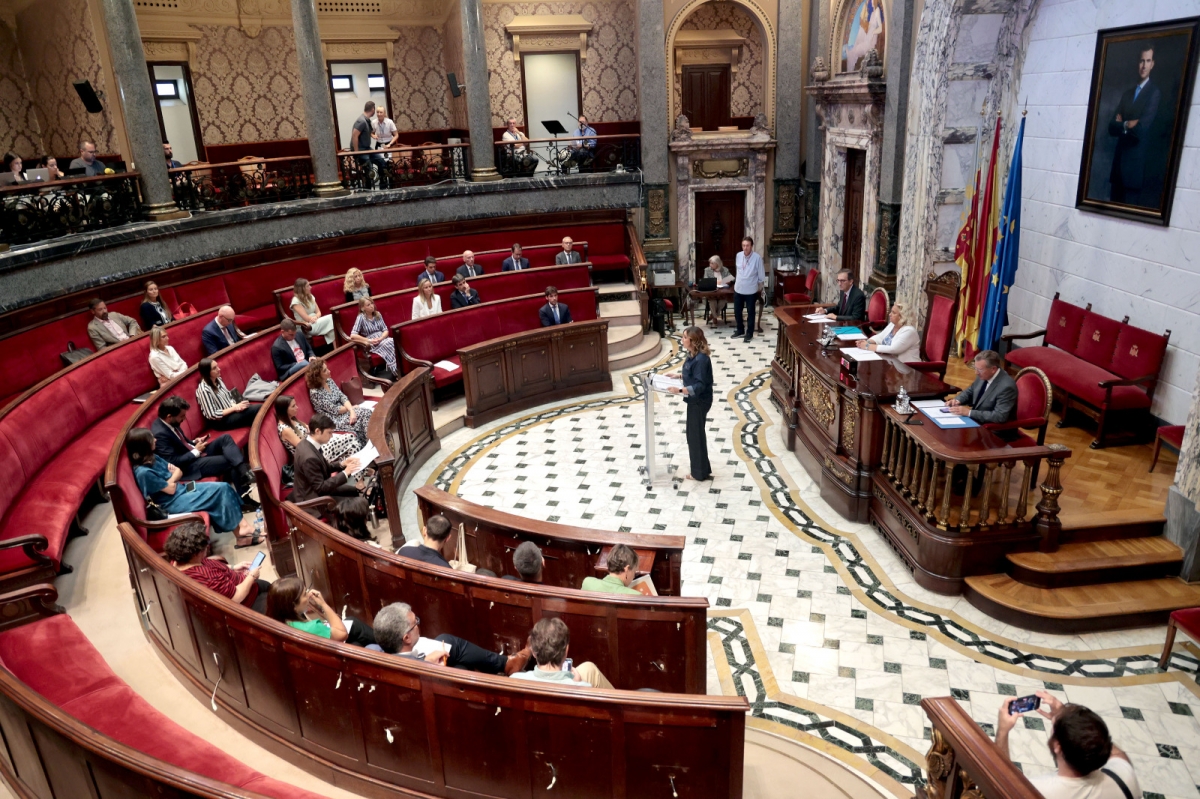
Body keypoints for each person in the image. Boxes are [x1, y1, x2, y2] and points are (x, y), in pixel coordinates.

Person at [994, 691, 1138, 799]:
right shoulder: (1124, 777)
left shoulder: (1036, 791)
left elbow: (999, 781)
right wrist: (1065, 715)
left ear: (1058, 746)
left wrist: (1002, 731)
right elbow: (1118, 755)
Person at [129, 431, 255, 542]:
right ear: (144, 445)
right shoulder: (143, 473)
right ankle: (243, 531)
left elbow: (179, 471)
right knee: (219, 491)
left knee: (224, 487)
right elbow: (171, 490)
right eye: (151, 438)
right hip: (173, 503)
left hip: (181, 489)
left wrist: (171, 479)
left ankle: (242, 532)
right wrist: (173, 478)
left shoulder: (153, 457)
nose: (155, 440)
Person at [152, 395, 258, 510]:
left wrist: (194, 442)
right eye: (182, 416)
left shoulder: (170, 422)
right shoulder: (160, 434)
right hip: (188, 467)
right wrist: (196, 451)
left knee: (225, 439)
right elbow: (173, 461)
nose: (184, 419)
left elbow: (181, 441)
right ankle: (244, 500)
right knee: (229, 461)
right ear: (169, 416)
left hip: (192, 453)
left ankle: (244, 472)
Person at [369, 602, 528, 675]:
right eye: (415, 623)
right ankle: (505, 664)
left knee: (452, 651)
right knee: (457, 658)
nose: (418, 624)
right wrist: (426, 665)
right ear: (407, 638)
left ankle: (503, 664)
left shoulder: (371, 651)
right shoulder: (418, 671)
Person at [291, 412, 372, 540]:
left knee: (352, 491)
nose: (332, 435)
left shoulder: (307, 444)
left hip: (314, 490)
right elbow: (321, 488)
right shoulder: (309, 457)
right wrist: (346, 473)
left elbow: (323, 467)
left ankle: (356, 529)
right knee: (356, 503)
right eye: (329, 432)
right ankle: (352, 536)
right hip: (313, 500)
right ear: (318, 431)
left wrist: (342, 464)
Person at [164, 522, 267, 611]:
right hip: (245, 601)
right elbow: (236, 597)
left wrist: (233, 567)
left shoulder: (179, 560)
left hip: (239, 581)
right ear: (196, 554)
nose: (207, 548)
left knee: (268, 586)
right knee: (275, 595)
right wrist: (251, 576)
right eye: (205, 547)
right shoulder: (207, 577)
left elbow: (209, 563)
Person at [1107, 46, 1161, 206]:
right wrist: (1128, 123)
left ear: (1152, 64)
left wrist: (1122, 123)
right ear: (1138, 63)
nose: (1144, 65)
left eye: (1148, 61)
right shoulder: (1127, 94)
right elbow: (1111, 127)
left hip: (1133, 173)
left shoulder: (1154, 93)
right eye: (1141, 61)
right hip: (1118, 171)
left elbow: (1141, 130)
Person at [267, 577, 377, 646]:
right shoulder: (312, 627)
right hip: (329, 662)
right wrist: (323, 604)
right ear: (293, 605)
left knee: (352, 623)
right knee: (356, 628)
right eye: (304, 594)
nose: (308, 595)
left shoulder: (274, 621)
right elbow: (342, 634)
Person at [510, 618, 614, 689]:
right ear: (566, 650)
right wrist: (577, 685)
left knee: (588, 668)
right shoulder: (584, 689)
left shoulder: (514, 681)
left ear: (533, 651)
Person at [667, 326, 714, 481]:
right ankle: (703, 470)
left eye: (685, 337)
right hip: (695, 401)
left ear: (693, 341)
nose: (682, 339)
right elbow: (693, 375)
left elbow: (699, 385)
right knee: (695, 435)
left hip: (699, 401)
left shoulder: (701, 360)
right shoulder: (694, 355)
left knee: (695, 436)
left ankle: (698, 473)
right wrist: (679, 376)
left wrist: (679, 390)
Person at [275, 394, 360, 463]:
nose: (297, 407)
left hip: (316, 446)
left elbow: (308, 428)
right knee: (350, 438)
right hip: (313, 455)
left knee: (352, 444)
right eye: (293, 406)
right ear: (284, 410)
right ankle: (357, 474)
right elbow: (304, 447)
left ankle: (357, 474)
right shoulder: (286, 429)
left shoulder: (292, 419)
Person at [305, 357, 373, 444]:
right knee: (364, 415)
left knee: (366, 413)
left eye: (327, 368)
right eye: (325, 371)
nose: (329, 371)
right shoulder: (315, 393)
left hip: (344, 411)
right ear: (318, 376)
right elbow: (335, 410)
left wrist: (351, 410)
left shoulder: (329, 381)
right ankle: (371, 443)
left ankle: (372, 441)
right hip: (333, 419)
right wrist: (351, 409)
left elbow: (342, 397)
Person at [947, 350, 1017, 424]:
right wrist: (958, 400)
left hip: (991, 427)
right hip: (977, 420)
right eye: (975, 368)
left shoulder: (1007, 387)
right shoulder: (983, 374)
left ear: (993, 369)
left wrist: (969, 412)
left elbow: (999, 416)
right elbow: (971, 391)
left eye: (979, 370)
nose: (976, 372)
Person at [196, 358, 261, 430]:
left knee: (253, 409)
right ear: (207, 372)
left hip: (231, 412)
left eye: (217, 366)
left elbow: (229, 396)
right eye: (214, 368)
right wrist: (234, 408)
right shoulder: (204, 390)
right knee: (258, 409)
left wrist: (236, 406)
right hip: (221, 421)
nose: (219, 369)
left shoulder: (218, 379)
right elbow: (212, 414)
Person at [856, 302, 921, 362]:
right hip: (891, 363)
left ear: (902, 316)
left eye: (893, 313)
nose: (890, 314)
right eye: (891, 311)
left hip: (907, 367)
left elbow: (893, 349)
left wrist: (867, 346)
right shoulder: (892, 324)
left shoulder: (909, 331)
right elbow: (880, 337)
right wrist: (867, 342)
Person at [350, 297, 397, 378]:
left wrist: (381, 338)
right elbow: (353, 335)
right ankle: (396, 371)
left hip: (382, 338)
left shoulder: (378, 314)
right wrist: (369, 340)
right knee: (389, 343)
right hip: (372, 343)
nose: (372, 306)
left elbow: (385, 330)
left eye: (372, 303)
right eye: (368, 305)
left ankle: (398, 369)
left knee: (393, 341)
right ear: (363, 308)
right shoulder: (361, 317)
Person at [732, 237, 764, 342]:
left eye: (747, 245)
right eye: (744, 245)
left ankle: (749, 333)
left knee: (751, 312)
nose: (745, 248)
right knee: (737, 311)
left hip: (751, 289)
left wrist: (760, 287)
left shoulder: (757, 258)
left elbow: (761, 275)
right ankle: (740, 330)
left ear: (751, 246)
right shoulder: (738, 255)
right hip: (739, 288)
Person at [352, 101, 387, 181]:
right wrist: (356, 153)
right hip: (361, 150)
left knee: (381, 161)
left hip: (367, 148)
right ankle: (368, 187)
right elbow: (354, 136)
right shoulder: (362, 121)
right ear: (372, 109)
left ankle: (383, 186)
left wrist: (373, 135)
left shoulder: (367, 120)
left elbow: (366, 132)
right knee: (369, 168)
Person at [703, 254, 732, 324]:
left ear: (717, 263)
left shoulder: (725, 269)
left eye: (712, 263)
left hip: (722, 292)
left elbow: (731, 279)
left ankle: (713, 315)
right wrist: (719, 281)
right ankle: (715, 316)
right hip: (711, 293)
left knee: (722, 301)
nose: (710, 265)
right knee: (712, 301)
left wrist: (722, 281)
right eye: (710, 263)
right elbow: (706, 280)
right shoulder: (707, 270)